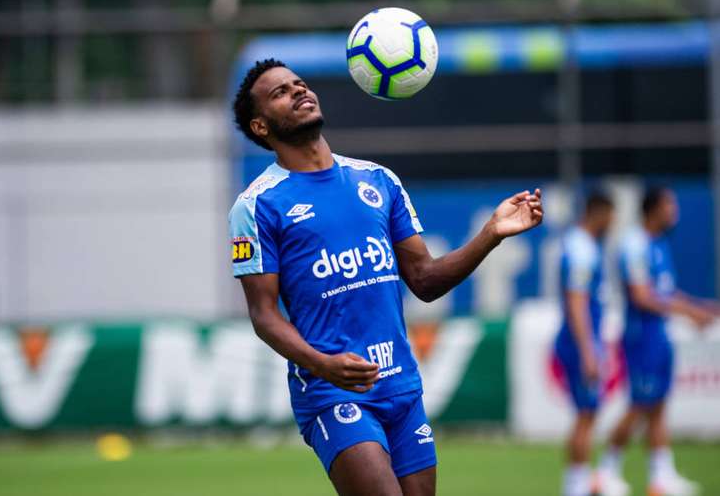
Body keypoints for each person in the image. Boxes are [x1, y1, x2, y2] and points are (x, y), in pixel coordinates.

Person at [228, 58, 543, 496]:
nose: (299, 91)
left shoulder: (377, 179)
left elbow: (425, 280)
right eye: (281, 92)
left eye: (300, 83)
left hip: (400, 384)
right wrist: (324, 366)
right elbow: (264, 315)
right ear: (261, 127)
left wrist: (490, 234)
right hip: (333, 389)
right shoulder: (257, 205)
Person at [596, 187, 716, 496]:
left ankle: (661, 476)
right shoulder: (634, 245)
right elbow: (642, 296)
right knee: (639, 404)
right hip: (641, 335)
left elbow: (665, 291)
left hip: (659, 333)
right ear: (653, 209)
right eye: (669, 204)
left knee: (659, 405)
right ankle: (605, 471)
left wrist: (698, 308)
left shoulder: (659, 244)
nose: (674, 210)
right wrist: (689, 312)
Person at [553, 192, 615, 496]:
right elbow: (576, 303)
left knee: (588, 414)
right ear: (599, 213)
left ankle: (579, 482)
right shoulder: (581, 248)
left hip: (582, 342)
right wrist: (589, 351)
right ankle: (575, 487)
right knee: (585, 416)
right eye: (611, 214)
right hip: (579, 344)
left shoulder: (583, 245)